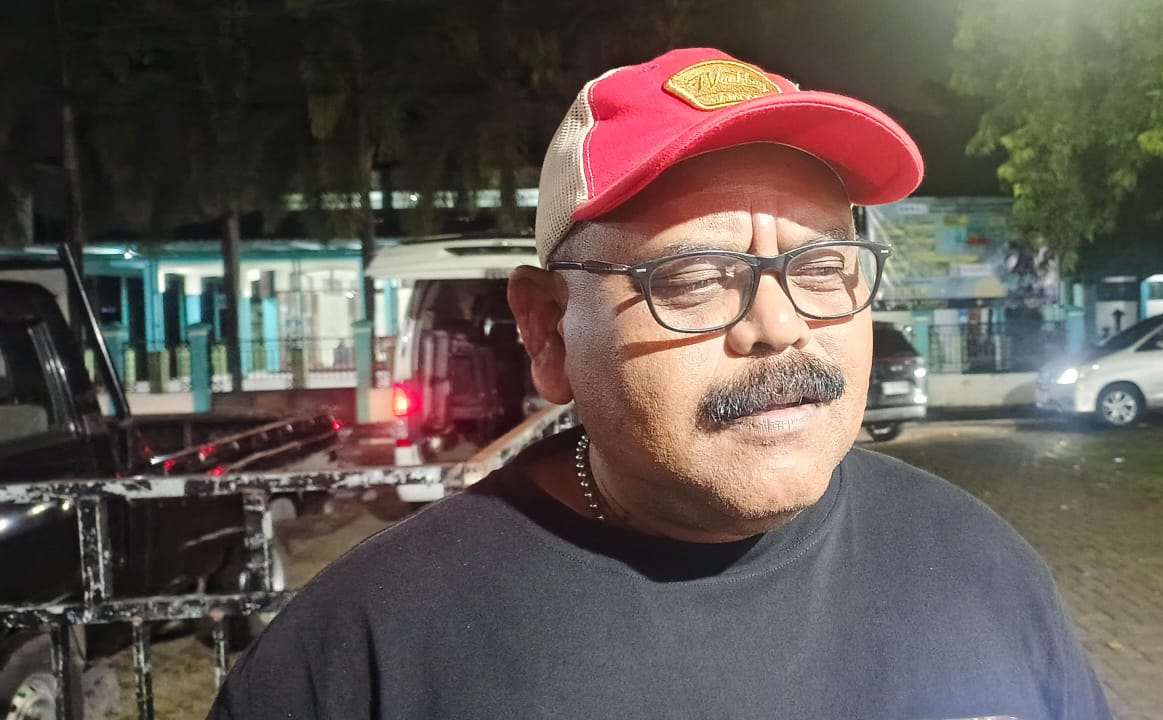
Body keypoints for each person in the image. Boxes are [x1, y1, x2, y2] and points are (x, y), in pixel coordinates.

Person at [208, 47, 1110, 719]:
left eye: (822, 267)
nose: (780, 325)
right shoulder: (366, 653)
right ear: (547, 328)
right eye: (694, 278)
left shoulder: (975, 564)